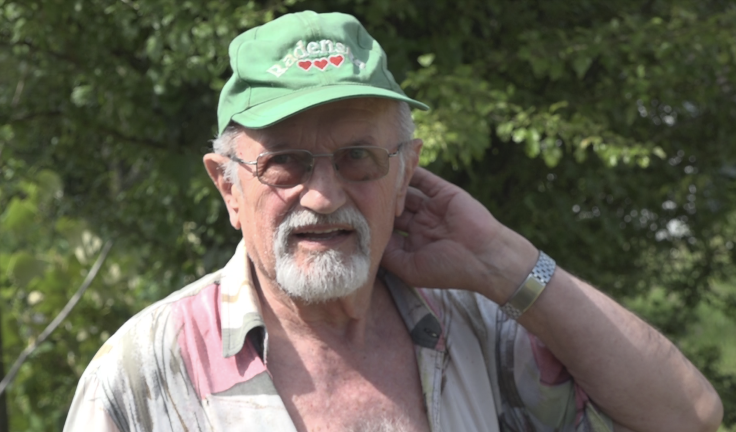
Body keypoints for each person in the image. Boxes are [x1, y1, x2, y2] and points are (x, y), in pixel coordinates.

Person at [64, 10, 723, 432]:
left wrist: (504, 260)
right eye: (285, 164)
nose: (324, 197)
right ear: (228, 186)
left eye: (359, 157)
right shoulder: (146, 370)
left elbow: (688, 415)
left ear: (406, 172)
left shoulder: (475, 327)